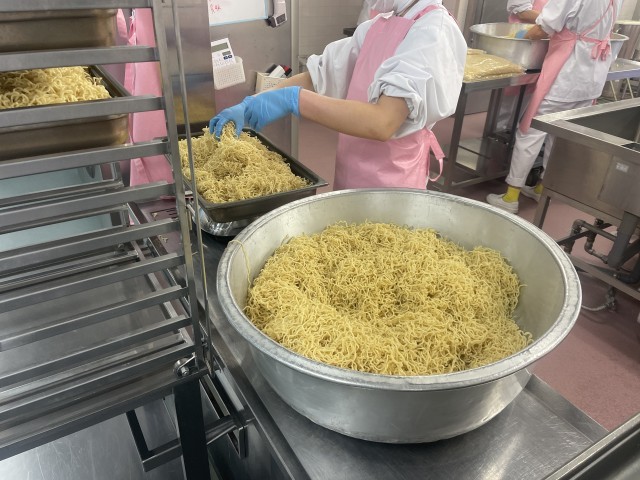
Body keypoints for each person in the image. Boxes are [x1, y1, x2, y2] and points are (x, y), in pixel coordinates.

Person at [210, 0, 466, 190]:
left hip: (392, 184)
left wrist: (294, 99)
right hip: (351, 172)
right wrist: (254, 102)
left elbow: (383, 121)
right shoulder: (379, 25)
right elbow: (319, 74)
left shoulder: (434, 31)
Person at [487, 0, 622, 214]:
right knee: (559, 137)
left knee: (530, 132)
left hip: (566, 75)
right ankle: (541, 187)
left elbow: (543, 27)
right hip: (591, 77)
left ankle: (511, 196)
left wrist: (517, 40)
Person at [494, 0, 548, 132]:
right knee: (512, 85)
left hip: (541, 40)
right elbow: (523, 13)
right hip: (521, 39)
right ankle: (499, 129)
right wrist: (551, 21)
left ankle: (514, 127)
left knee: (531, 85)